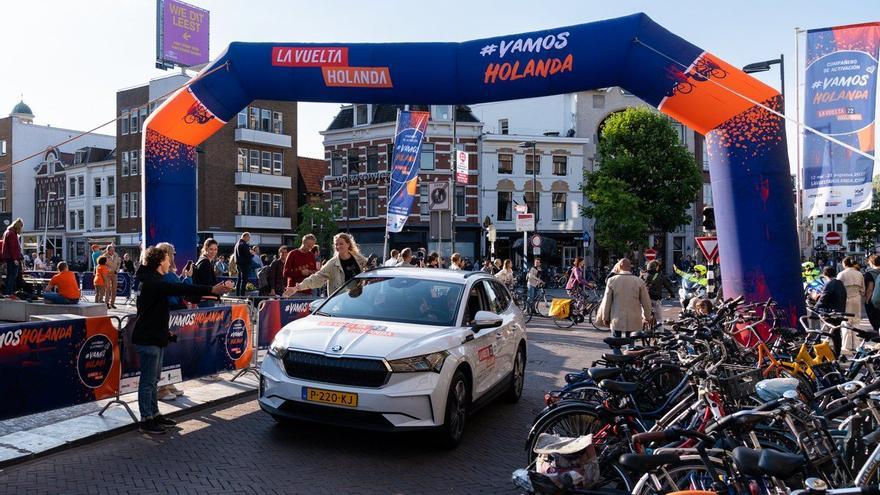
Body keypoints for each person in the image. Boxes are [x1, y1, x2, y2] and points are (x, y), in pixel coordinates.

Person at [132, 246, 232, 434]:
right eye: (167, 259)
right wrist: (211, 288)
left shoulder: (150, 279)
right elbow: (181, 288)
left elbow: (156, 308)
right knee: (148, 381)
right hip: (149, 337)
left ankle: (154, 414)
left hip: (155, 334)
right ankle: (146, 419)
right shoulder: (154, 282)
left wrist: (165, 331)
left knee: (153, 380)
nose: (170, 261)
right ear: (160, 261)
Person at [285, 233, 367, 296]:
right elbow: (317, 277)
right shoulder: (332, 264)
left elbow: (370, 270)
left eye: (341, 243)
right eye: (336, 244)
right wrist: (297, 287)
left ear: (348, 244)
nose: (338, 246)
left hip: (360, 297)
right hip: (341, 301)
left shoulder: (359, 258)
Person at [597, 258, 652, 344]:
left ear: (619, 266)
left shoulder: (612, 281)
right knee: (631, 341)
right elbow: (646, 302)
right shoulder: (639, 281)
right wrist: (647, 317)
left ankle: (618, 355)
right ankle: (629, 354)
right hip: (634, 318)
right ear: (630, 267)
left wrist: (605, 317)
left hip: (616, 317)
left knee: (616, 342)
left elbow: (607, 301)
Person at [838, 257, 865, 352]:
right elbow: (863, 290)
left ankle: (847, 345)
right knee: (856, 321)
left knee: (846, 321)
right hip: (857, 298)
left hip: (846, 299)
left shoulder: (841, 274)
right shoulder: (859, 274)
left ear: (844, 264)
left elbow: (837, 288)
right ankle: (856, 345)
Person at [191, 238, 219, 308]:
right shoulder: (205, 262)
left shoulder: (202, 260)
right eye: (211, 249)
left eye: (215, 249)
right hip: (206, 299)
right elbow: (207, 284)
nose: (213, 252)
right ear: (206, 249)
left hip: (204, 299)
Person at [1, 218, 23, 295]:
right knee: (12, 275)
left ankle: (8, 292)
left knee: (10, 275)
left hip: (9, 257)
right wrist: (15, 259)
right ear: (18, 227)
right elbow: (12, 247)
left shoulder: (8, 232)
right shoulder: (12, 234)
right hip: (12, 258)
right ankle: (9, 292)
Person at [865, 255, 880, 332]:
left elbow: (870, 289)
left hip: (874, 301)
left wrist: (867, 301)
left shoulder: (870, 273)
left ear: (871, 263)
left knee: (876, 323)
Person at [104, 244, 121, 309]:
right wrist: (109, 270)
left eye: (113, 250)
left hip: (115, 274)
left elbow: (119, 263)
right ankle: (106, 303)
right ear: (107, 250)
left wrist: (117, 270)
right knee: (108, 289)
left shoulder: (116, 255)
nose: (112, 252)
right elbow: (104, 265)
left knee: (114, 289)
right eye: (111, 251)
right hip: (108, 275)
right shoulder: (104, 256)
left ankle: (112, 303)